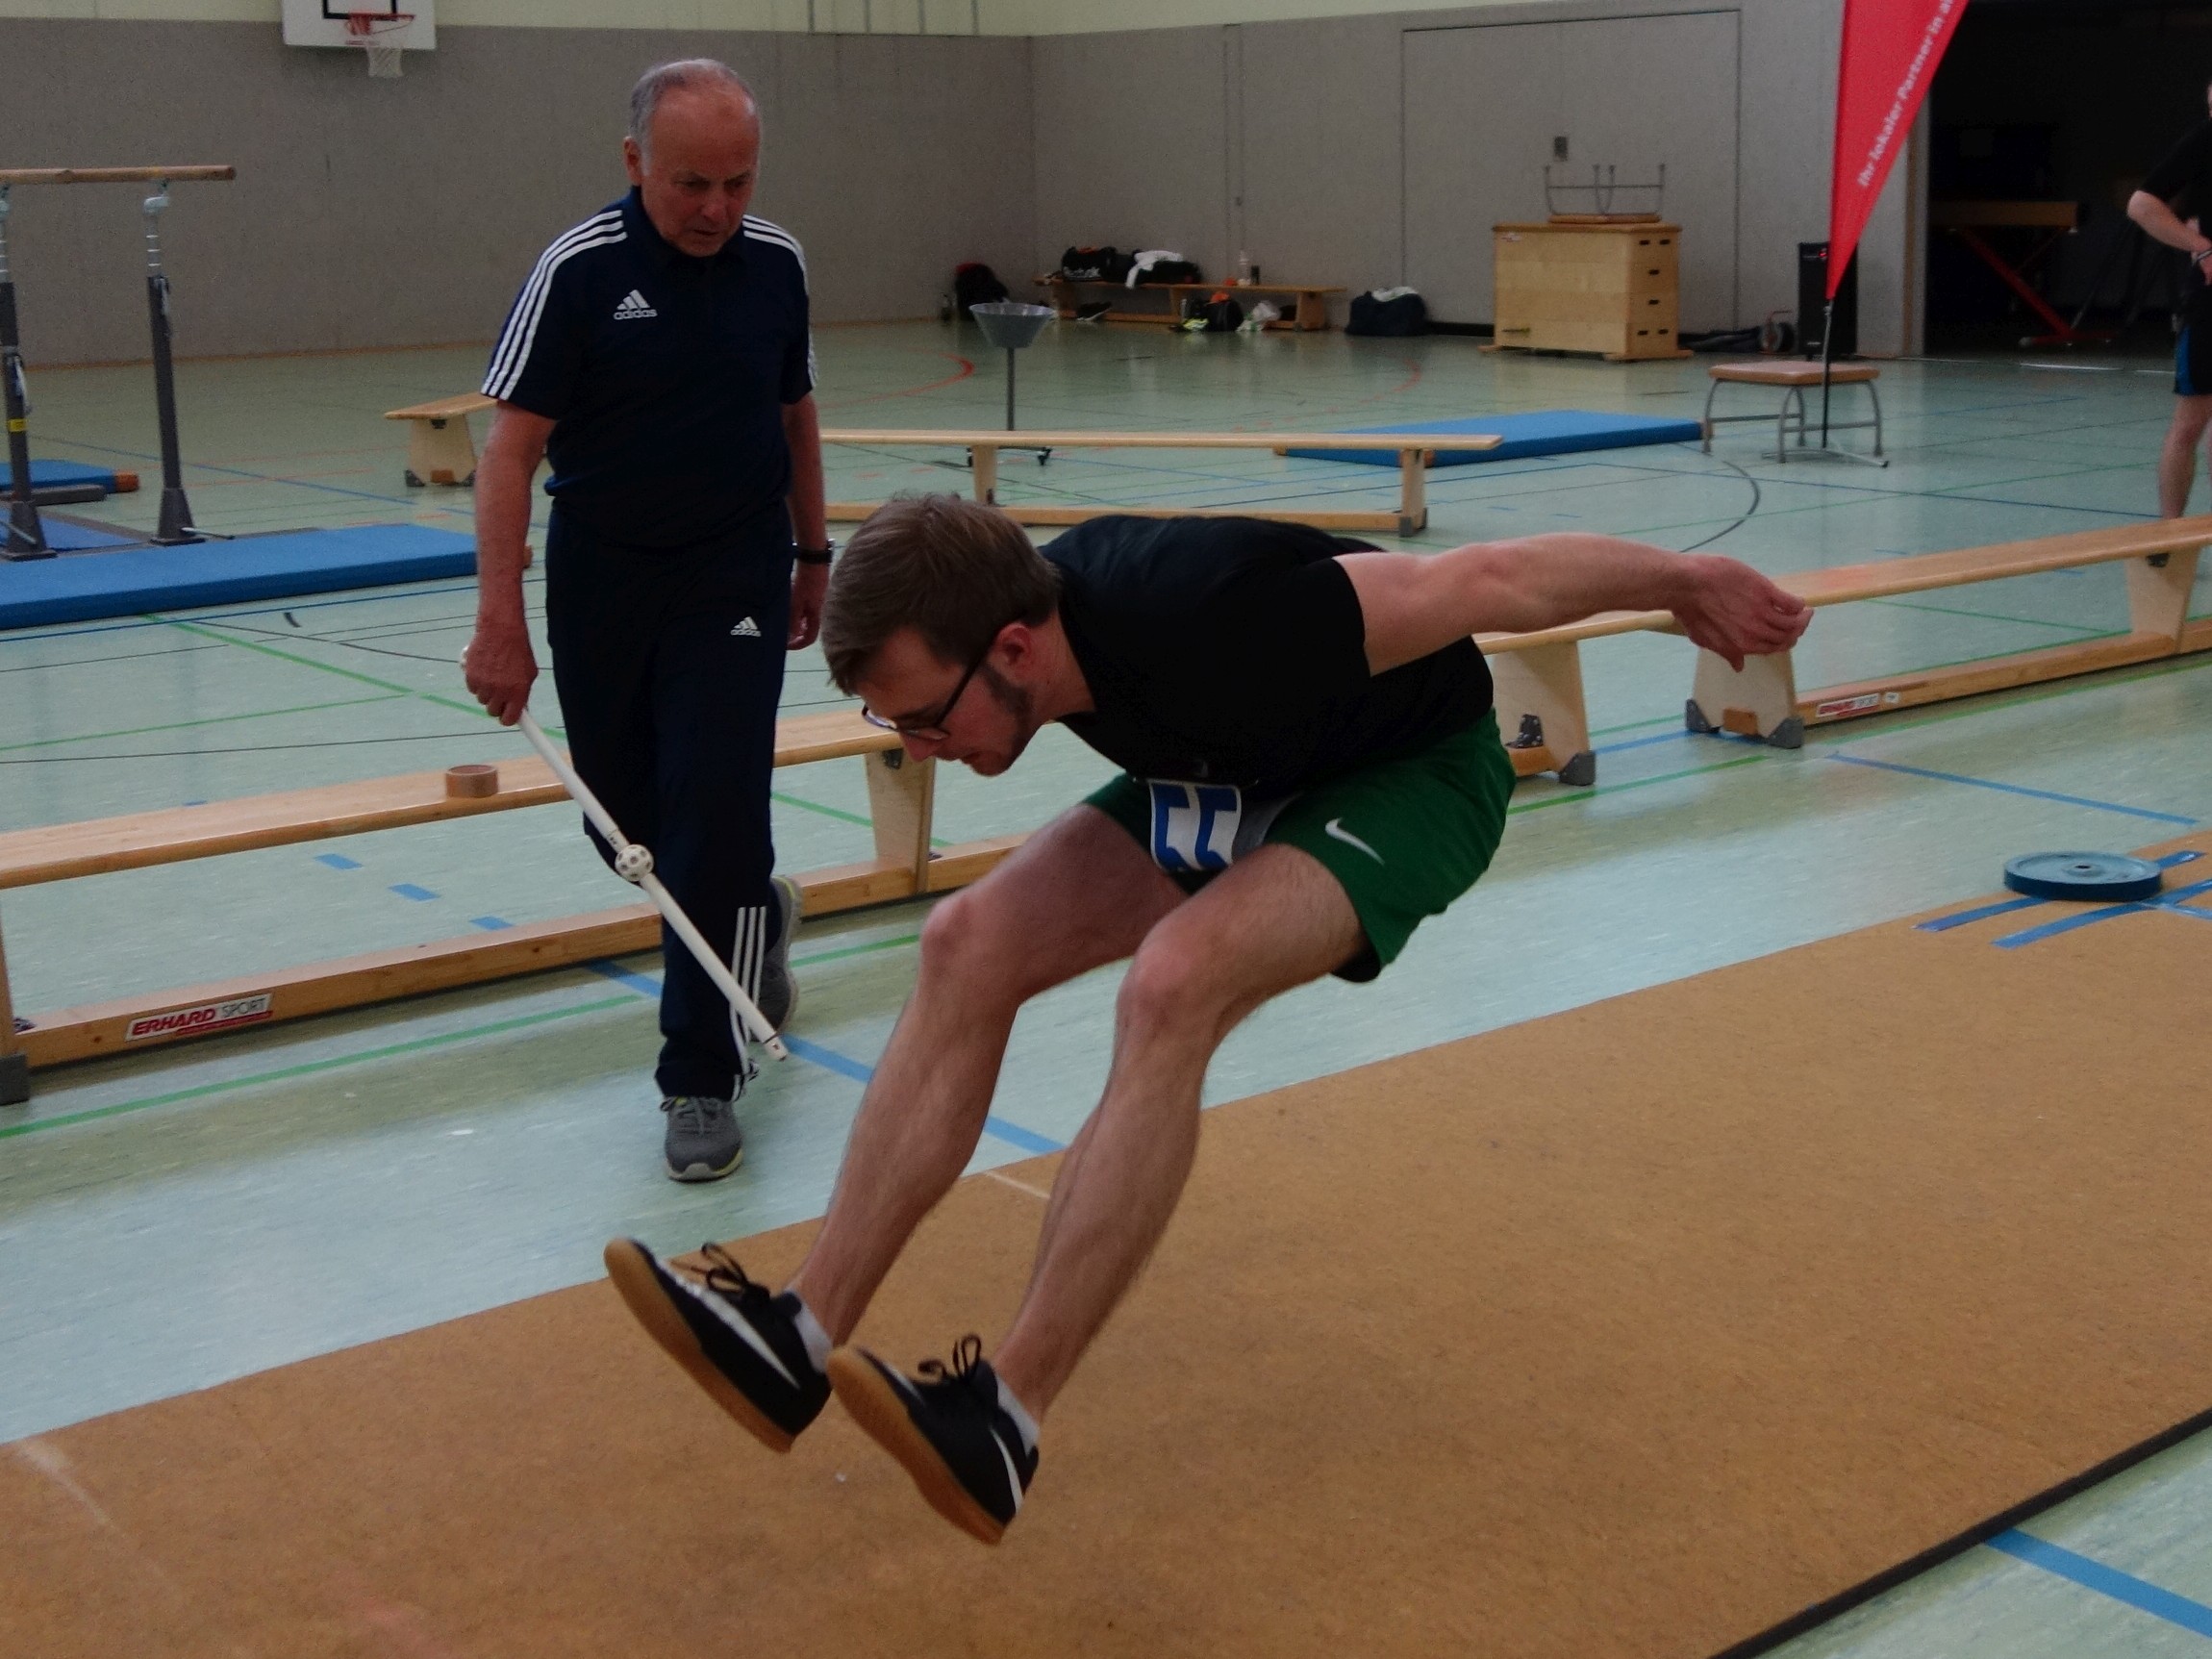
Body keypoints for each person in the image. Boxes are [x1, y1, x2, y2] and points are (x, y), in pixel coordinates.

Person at [604, 499, 1811, 1542]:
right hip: (1229, 776)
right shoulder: (1027, 634)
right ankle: (796, 1335)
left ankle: (1004, 1418)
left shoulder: (1214, 610)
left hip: (1411, 774)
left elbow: (1487, 579)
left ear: (1013, 647)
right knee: (963, 943)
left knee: (1171, 982)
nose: (919, 750)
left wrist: (1682, 579)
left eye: (926, 719)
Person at [464, 60, 832, 1182]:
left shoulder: (776, 263)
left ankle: (699, 1077)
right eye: (691, 185)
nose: (717, 209)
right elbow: (508, 455)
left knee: (713, 809)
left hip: (733, 572)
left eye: (738, 181)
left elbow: (795, 412)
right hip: (605, 576)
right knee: (626, 825)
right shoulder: (578, 271)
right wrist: (499, 619)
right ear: (634, 163)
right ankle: (754, 917)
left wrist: (812, 553)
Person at [2129, 74, 2212, 515]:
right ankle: (2170, 533)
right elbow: (2142, 205)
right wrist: (2199, 245)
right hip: (2208, 306)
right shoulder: (2203, 141)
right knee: (2190, 423)